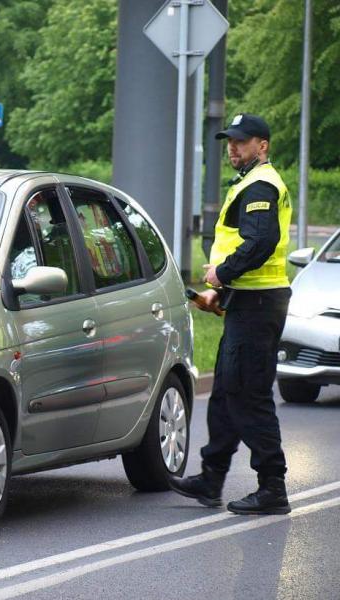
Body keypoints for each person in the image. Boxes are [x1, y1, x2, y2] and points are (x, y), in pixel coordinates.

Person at [170, 113, 293, 515]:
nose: (233, 148)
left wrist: (221, 275)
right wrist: (220, 292)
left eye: (242, 142)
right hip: (248, 302)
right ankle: (211, 478)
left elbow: (261, 242)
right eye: (229, 142)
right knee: (224, 391)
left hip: (260, 305)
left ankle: (273, 487)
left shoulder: (262, 185)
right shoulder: (247, 183)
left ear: (263, 146)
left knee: (250, 395)